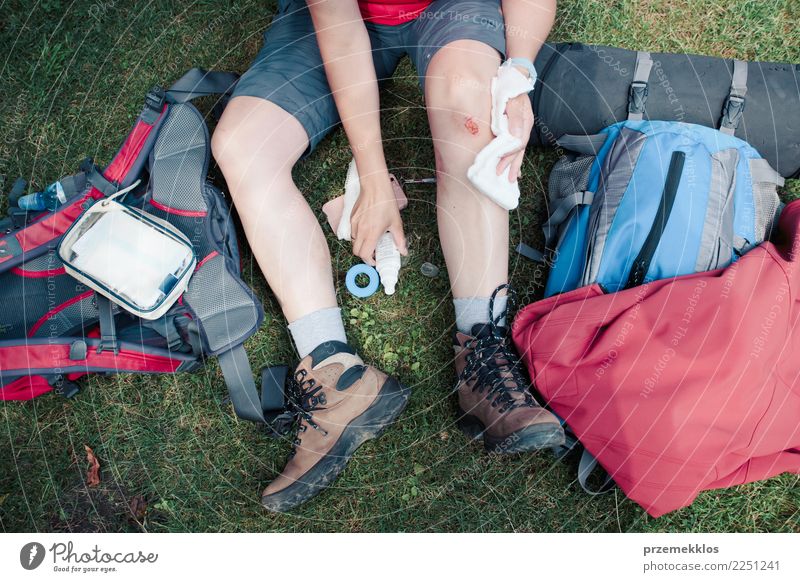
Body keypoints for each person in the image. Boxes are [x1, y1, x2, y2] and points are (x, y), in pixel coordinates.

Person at [212, 0, 564, 512]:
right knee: (242, 145)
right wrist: (372, 177)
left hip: (452, 9)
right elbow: (340, 26)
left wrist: (518, 71)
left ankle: (481, 352)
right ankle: (336, 375)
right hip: (342, 19)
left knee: (470, 102)